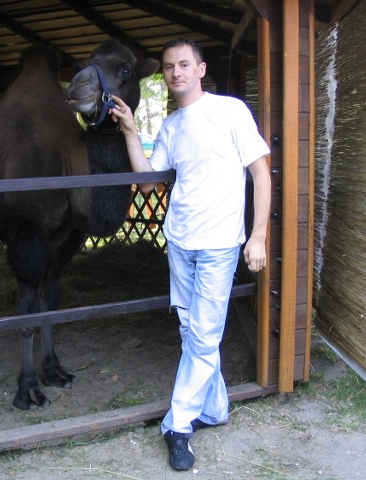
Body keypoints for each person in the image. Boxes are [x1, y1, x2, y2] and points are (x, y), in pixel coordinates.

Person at [110, 38, 271, 471]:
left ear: (200, 69)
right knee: (192, 331)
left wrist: (257, 237)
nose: (176, 72)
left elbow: (260, 172)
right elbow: (146, 183)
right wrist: (129, 130)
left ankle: (177, 424)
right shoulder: (170, 127)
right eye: (168, 67)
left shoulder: (230, 111)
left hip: (220, 245)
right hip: (179, 242)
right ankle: (214, 409)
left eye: (184, 64)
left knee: (202, 335)